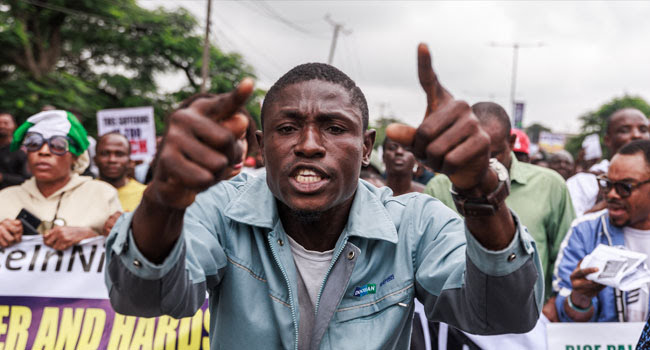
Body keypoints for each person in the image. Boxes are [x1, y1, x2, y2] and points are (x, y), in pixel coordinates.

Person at [105, 44, 543, 349]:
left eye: (335, 128)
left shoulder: (414, 223)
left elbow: (503, 315)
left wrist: (482, 195)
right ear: (260, 144)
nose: (310, 145)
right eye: (287, 127)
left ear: (366, 146)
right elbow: (142, 299)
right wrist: (162, 199)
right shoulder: (221, 209)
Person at [424, 101, 575, 305]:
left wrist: (554, 305)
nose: (482, 164)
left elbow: (565, 256)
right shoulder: (439, 187)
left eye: (492, 155)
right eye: (474, 154)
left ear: (511, 142)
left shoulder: (550, 185)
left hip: (530, 320)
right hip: (457, 322)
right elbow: (428, 262)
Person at [554, 139, 650, 322]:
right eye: (607, 184)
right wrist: (580, 298)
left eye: (625, 187)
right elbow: (565, 317)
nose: (612, 194)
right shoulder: (585, 232)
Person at [0, 110, 121, 249]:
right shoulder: (4, 198)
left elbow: (122, 252)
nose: (43, 151)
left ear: (75, 156)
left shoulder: (102, 194)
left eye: (58, 145)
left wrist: (92, 239)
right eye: (34, 143)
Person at [567, 108, 649, 217]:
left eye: (643, 129)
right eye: (624, 130)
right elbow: (570, 227)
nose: (636, 135)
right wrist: (615, 202)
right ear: (607, 140)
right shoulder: (582, 183)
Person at [95, 132, 146, 212]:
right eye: (105, 154)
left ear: (130, 161)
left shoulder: (145, 195)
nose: (112, 160)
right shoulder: (83, 193)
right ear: (95, 159)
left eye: (119, 154)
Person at [0, 112, 29, 190]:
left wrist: (3, 178)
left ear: (14, 126)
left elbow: (28, 179)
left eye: (6, 123)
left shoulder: (22, 151)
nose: (2, 126)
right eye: (0, 123)